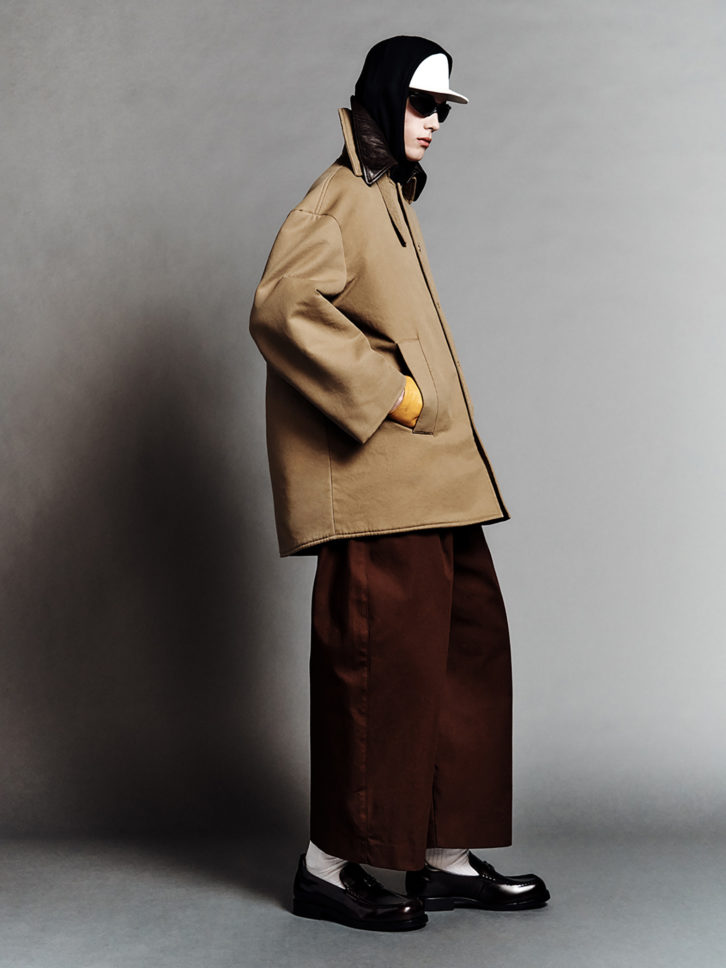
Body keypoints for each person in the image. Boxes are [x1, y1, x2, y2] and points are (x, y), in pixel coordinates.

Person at [249, 35, 550, 932]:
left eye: (442, 110)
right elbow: (280, 307)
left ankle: (443, 857)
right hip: (380, 488)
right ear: (383, 97)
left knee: (461, 663)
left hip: (436, 484)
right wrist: (394, 393)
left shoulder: (390, 194)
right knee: (377, 675)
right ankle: (324, 868)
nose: (433, 123)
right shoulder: (342, 195)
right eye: (422, 105)